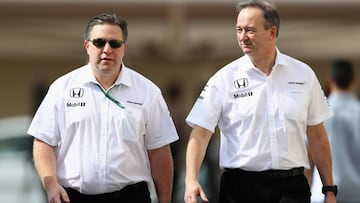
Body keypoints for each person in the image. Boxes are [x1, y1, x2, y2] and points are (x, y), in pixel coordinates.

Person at [183, 1, 337, 203]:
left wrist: (329, 189)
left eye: (250, 30)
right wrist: (191, 180)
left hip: (291, 188)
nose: (242, 37)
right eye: (239, 30)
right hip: (240, 189)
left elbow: (317, 135)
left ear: (271, 33)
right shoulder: (223, 79)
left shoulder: (304, 74)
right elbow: (200, 134)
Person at [27, 13, 179, 203]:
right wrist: (51, 186)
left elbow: (159, 152)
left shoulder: (148, 92)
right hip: (74, 197)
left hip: (130, 197)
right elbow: (43, 142)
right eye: (99, 42)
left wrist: (165, 201)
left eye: (114, 43)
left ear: (124, 47)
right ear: (87, 46)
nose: (107, 49)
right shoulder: (62, 88)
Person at [310, 59, 360, 203]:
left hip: (324, 193)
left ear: (330, 79)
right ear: (354, 79)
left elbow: (309, 153)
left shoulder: (319, 112)